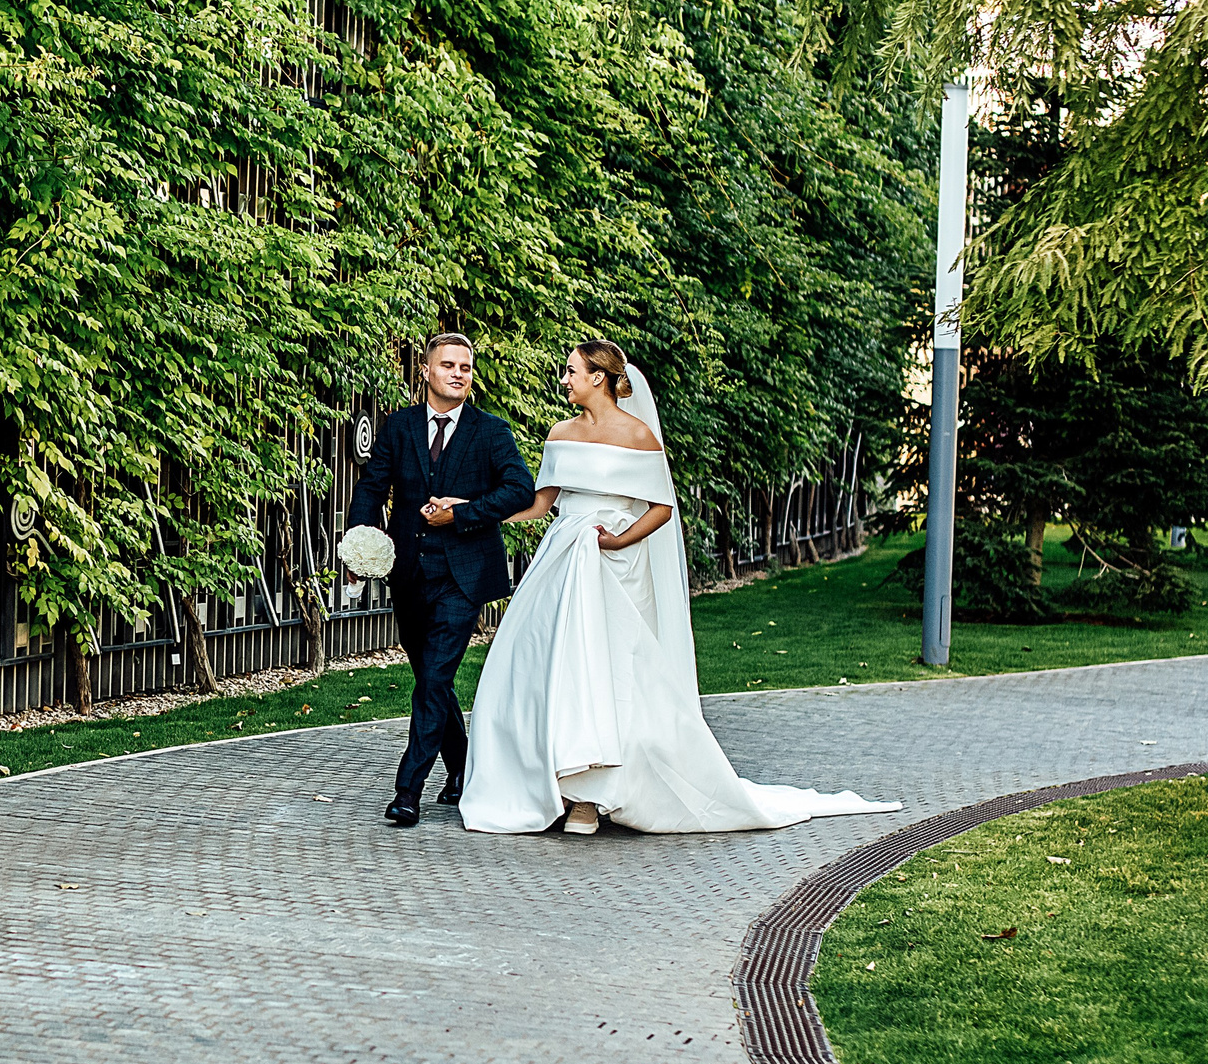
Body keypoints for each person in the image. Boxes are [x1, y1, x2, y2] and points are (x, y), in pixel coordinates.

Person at [459, 338, 903, 836]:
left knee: (612, 675)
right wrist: (468, 512)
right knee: (546, 666)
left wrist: (618, 541)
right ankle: (556, 785)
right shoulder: (560, 433)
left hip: (613, 569)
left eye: (571, 371)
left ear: (598, 377)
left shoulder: (639, 436)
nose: (564, 380)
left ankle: (595, 794)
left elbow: (661, 508)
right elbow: (541, 505)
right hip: (563, 562)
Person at [345, 332, 536, 826]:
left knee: (433, 678)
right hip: (408, 572)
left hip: (464, 575)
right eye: (448, 365)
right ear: (426, 372)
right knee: (433, 678)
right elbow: (371, 487)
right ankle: (463, 766)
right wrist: (360, 542)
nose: (458, 373)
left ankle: (408, 791)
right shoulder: (400, 426)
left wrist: (464, 513)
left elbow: (519, 491)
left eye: (466, 367)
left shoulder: (491, 432)